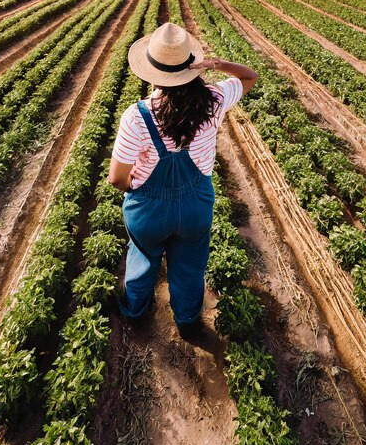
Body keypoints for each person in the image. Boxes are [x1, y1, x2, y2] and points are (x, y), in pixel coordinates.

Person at [108, 22, 258, 337]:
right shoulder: (215, 99)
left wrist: (133, 187)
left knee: (143, 259)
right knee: (189, 268)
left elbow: (116, 178)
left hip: (148, 209)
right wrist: (216, 64)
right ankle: (188, 322)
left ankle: (135, 311)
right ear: (192, 66)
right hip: (195, 206)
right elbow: (249, 76)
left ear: (151, 71)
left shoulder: (136, 116)